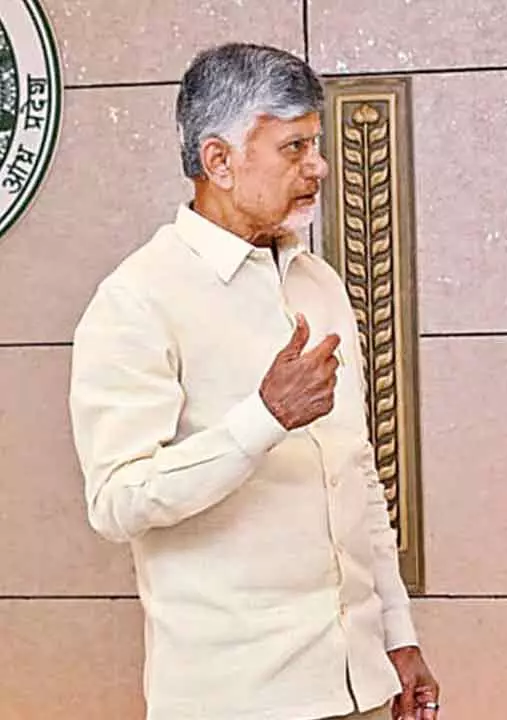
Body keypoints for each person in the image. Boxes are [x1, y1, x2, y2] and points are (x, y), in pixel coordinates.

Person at [69, 43, 439, 720]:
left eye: (315, 145)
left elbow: (356, 473)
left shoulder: (319, 282)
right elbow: (117, 500)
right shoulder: (137, 298)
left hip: (357, 685)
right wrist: (263, 419)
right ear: (219, 161)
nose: (318, 166)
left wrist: (396, 636)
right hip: (236, 698)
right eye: (294, 147)